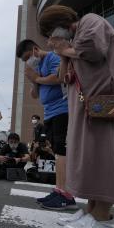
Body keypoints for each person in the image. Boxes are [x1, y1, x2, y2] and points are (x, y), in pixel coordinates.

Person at [39, 5, 114, 228]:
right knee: (92, 157)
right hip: (90, 108)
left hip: (105, 103)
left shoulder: (90, 21)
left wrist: (66, 49)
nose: (50, 41)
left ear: (60, 26)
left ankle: (103, 218)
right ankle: (92, 211)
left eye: (50, 34)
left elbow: (94, 49)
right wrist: (63, 52)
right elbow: (63, 77)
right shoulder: (73, 42)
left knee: (103, 155)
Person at [16, 39, 75, 210]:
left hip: (62, 110)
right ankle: (59, 190)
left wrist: (37, 77)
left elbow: (58, 77)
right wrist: (34, 80)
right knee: (57, 152)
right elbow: (34, 94)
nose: (28, 62)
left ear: (35, 50)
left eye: (27, 57)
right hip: (50, 113)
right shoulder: (39, 67)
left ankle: (65, 194)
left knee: (61, 151)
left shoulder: (52, 57)